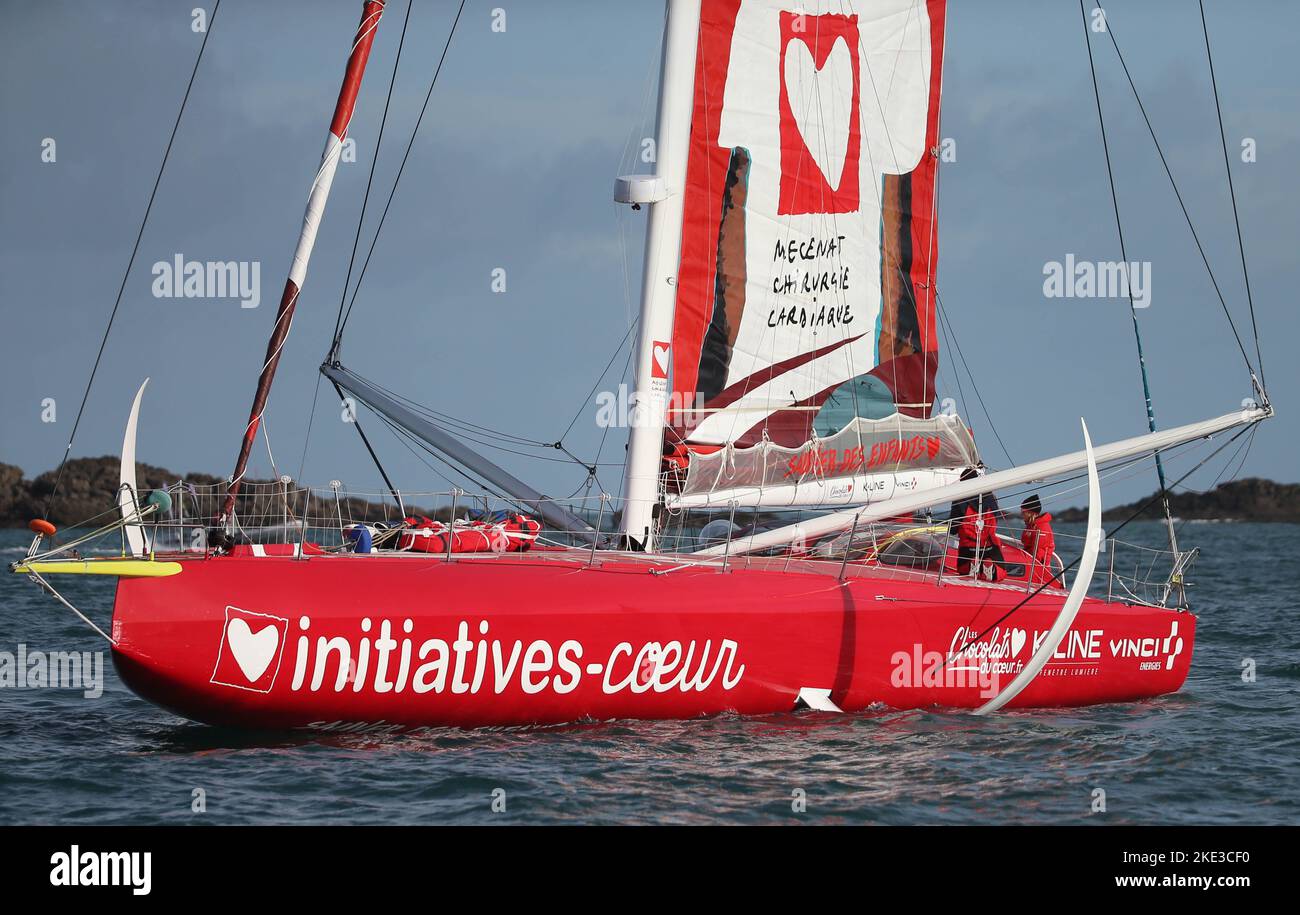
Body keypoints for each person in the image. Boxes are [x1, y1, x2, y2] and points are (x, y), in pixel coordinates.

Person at [949, 467, 1005, 582]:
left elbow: (953, 528)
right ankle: (992, 568)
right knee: (1001, 573)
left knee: (962, 569)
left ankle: (971, 564)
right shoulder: (990, 497)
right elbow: (996, 518)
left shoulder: (959, 499)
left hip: (968, 545)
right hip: (989, 544)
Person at [1019, 494, 1056, 585]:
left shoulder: (1042, 527)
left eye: (1023, 512)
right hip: (1028, 565)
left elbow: (1038, 554)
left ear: (1031, 513)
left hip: (1038, 571)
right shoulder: (1031, 525)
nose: (1021, 514)